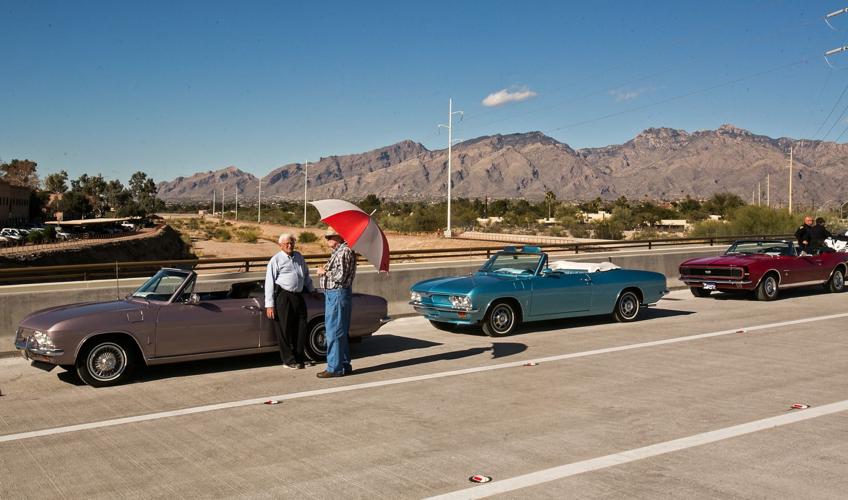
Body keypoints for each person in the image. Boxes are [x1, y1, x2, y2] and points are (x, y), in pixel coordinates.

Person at [264, 233, 315, 369]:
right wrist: (269, 305)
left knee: (301, 326)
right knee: (284, 328)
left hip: (298, 295)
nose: (289, 245)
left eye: (291, 242)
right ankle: (288, 360)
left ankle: (300, 357)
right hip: (283, 296)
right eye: (286, 243)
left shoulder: (299, 257)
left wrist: (312, 290)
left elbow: (306, 275)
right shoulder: (276, 260)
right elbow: (269, 282)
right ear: (280, 245)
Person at [315, 228, 357, 378]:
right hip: (335, 294)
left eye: (329, 237)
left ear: (338, 236)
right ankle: (344, 364)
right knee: (340, 331)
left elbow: (340, 276)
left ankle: (334, 368)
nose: (327, 240)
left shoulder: (344, 251)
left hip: (337, 293)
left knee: (334, 331)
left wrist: (324, 272)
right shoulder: (339, 252)